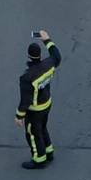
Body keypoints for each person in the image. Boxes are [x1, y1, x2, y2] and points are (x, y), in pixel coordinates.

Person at [16, 31, 59, 168]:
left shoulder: (27, 78)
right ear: (40, 55)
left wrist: (19, 115)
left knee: (33, 133)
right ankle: (49, 151)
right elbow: (56, 56)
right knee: (43, 127)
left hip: (34, 110)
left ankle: (39, 159)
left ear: (28, 56)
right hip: (47, 104)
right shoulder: (48, 64)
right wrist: (47, 40)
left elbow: (25, 100)